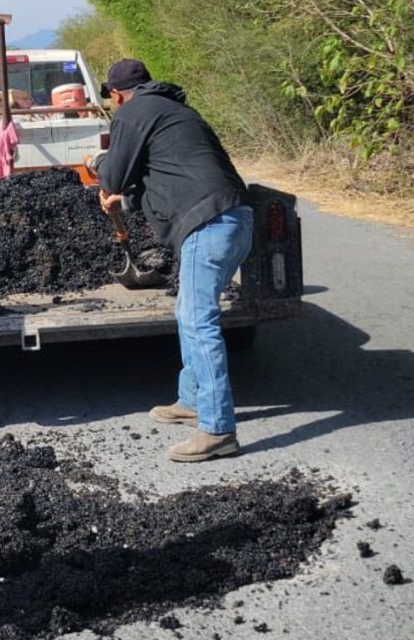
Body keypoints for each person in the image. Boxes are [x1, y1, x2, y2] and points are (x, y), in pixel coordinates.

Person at [95, 59, 254, 463]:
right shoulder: (175, 111)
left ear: (116, 94)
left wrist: (106, 181)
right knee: (189, 313)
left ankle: (217, 430)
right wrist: (127, 201)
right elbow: (167, 178)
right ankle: (192, 399)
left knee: (199, 322)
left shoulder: (133, 112)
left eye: (112, 99)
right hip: (232, 217)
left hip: (207, 223)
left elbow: (113, 175)